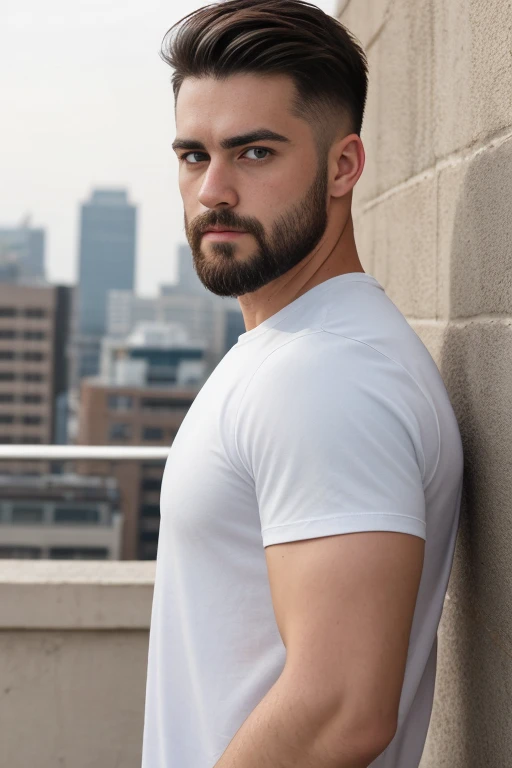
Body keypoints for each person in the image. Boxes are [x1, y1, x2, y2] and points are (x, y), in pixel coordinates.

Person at [141, 1, 464, 766]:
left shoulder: (326, 375)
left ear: (343, 167)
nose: (214, 190)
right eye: (194, 155)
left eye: (253, 153)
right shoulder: (293, 349)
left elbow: (341, 709)